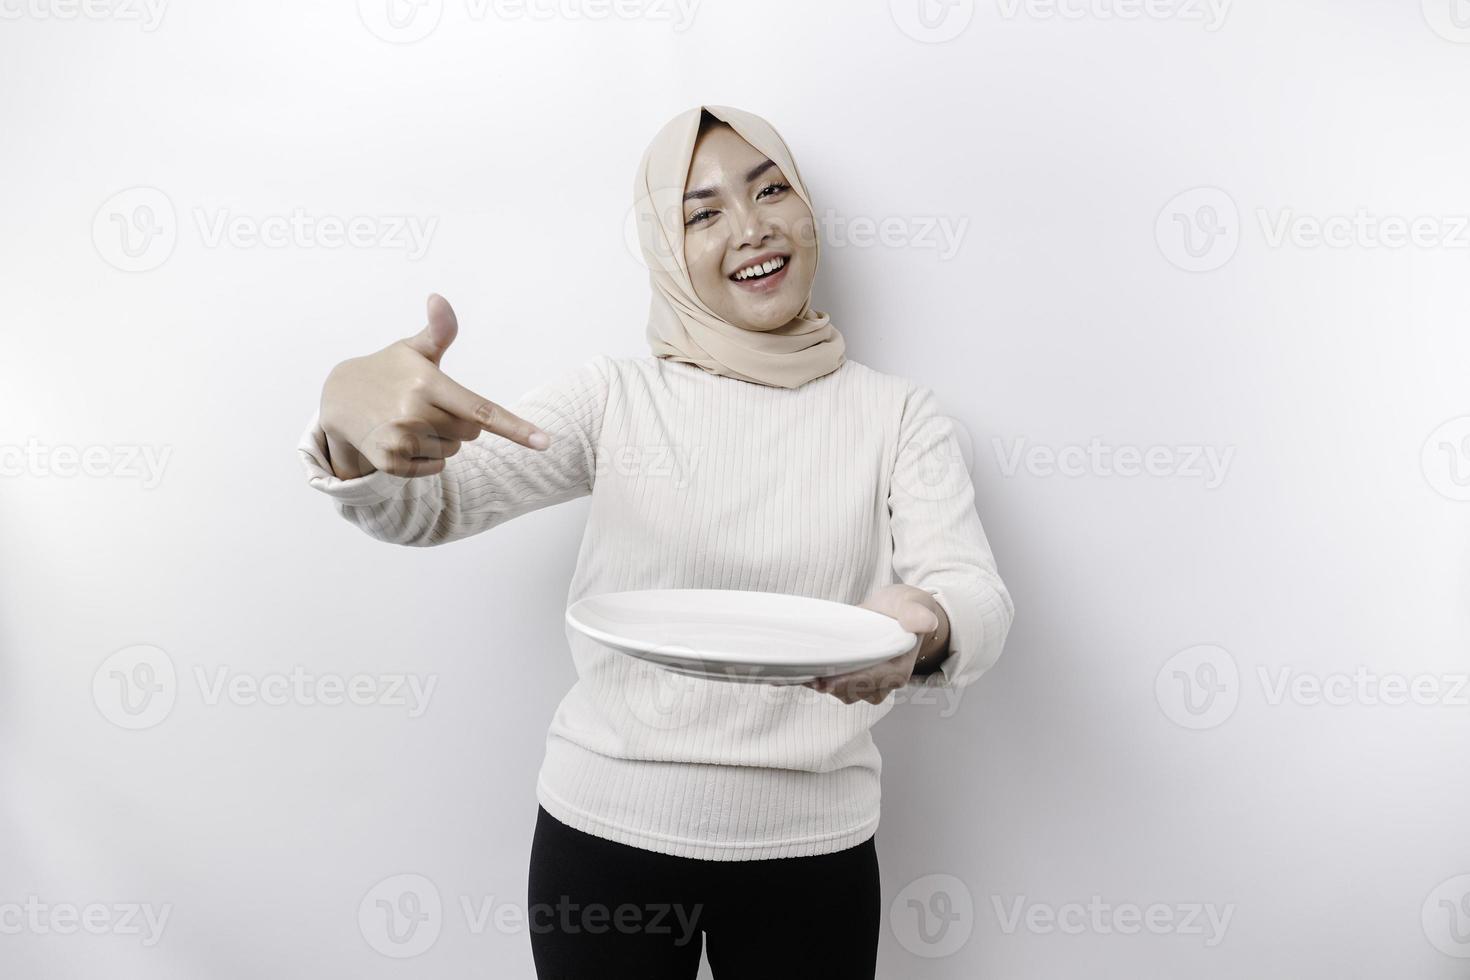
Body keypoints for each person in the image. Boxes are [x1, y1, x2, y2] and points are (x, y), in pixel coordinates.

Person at [298, 104, 1014, 979]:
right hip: (606, 844)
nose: (751, 229)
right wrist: (347, 422)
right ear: (666, 250)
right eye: (702, 212)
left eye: (771, 190)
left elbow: (974, 594)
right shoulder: (616, 398)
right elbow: (427, 510)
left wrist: (926, 621)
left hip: (812, 856)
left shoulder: (897, 414)